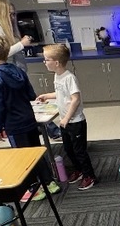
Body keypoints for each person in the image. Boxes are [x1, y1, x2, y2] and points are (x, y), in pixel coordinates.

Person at [0, 33, 59, 200]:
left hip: (14, 124)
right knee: (36, 152)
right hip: (29, 119)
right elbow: (31, 95)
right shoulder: (17, 70)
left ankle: (34, 189)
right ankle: (50, 182)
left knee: (22, 157)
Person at [37, 43, 97, 191]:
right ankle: (79, 170)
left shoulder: (69, 78)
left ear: (56, 62)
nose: (44, 62)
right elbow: (61, 94)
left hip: (75, 122)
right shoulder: (57, 76)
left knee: (79, 151)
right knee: (68, 149)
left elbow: (75, 99)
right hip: (65, 122)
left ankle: (89, 176)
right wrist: (47, 95)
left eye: (47, 59)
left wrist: (67, 118)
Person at [0, 0, 32, 71]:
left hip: (16, 70)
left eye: (14, 14)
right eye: (10, 14)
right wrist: (22, 44)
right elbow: (1, 54)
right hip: (8, 71)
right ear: (2, 13)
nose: (13, 17)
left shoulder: (5, 26)